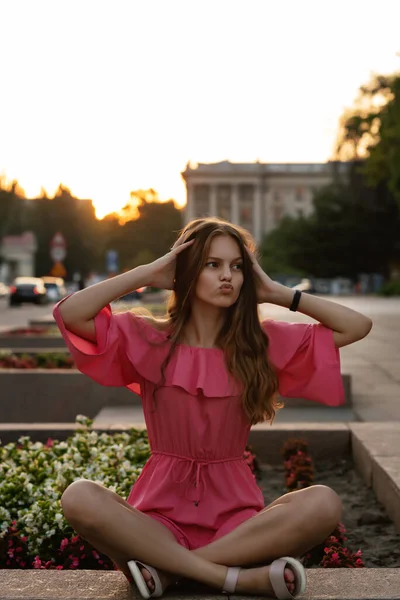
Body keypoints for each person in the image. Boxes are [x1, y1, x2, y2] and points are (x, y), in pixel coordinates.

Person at [53, 217, 372, 599]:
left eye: (237, 267)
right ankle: (231, 578)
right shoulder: (149, 336)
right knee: (79, 496)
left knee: (323, 502)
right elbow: (71, 314)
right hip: (158, 519)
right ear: (185, 271)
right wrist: (146, 273)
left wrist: (275, 292)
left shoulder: (260, 344)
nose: (229, 277)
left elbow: (357, 325)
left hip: (236, 524)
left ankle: (169, 572)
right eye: (212, 264)